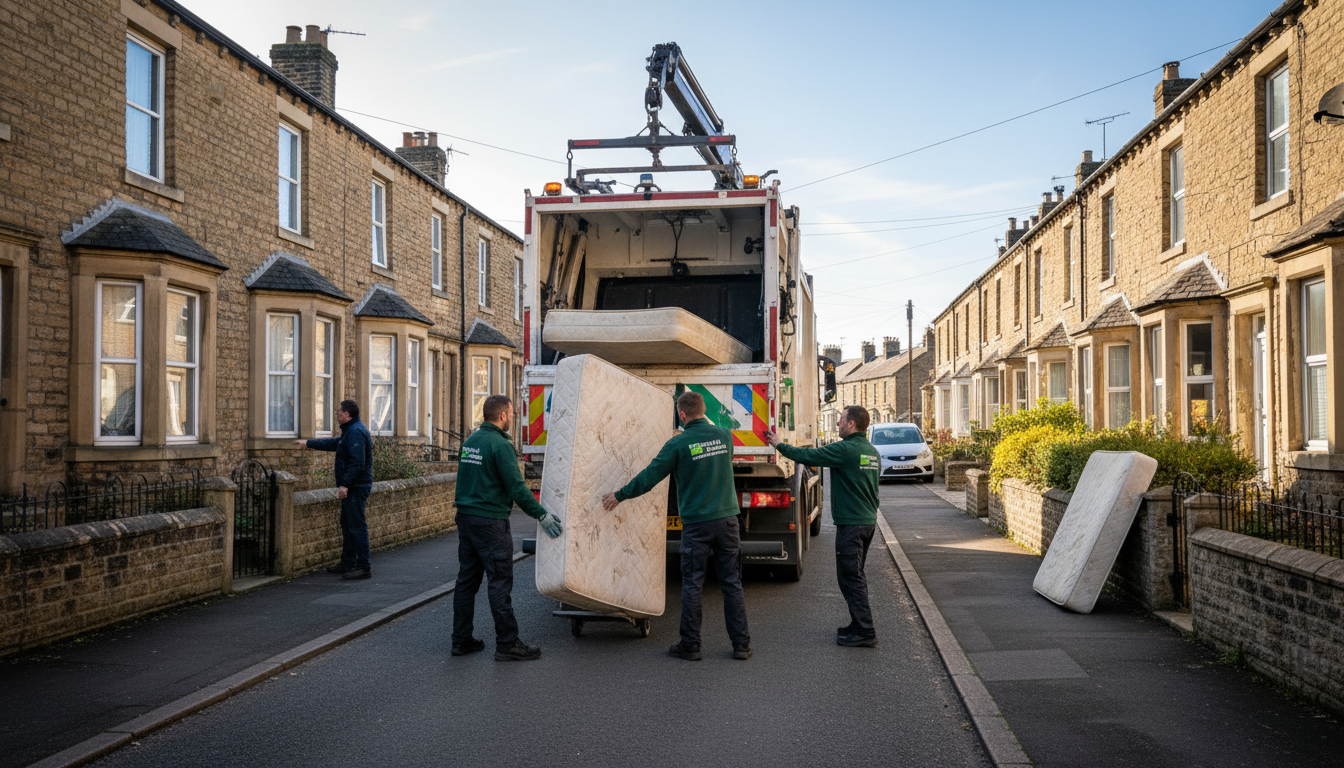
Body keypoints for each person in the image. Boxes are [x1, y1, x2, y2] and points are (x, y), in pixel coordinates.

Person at [602, 391, 751, 661]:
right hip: (728, 520)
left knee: (693, 584)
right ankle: (741, 645)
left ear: (682, 415)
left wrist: (619, 495)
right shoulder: (725, 436)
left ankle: (691, 645)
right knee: (732, 583)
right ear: (704, 409)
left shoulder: (678, 444)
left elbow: (650, 476)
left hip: (697, 524)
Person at [453, 394, 563, 662]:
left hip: (466, 518)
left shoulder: (470, 442)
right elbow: (517, 489)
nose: (512, 418)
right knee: (500, 581)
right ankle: (507, 643)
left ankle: (461, 640)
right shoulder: (500, 446)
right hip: (490, 522)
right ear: (502, 416)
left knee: (467, 582)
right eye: (512, 414)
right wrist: (542, 515)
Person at [765, 405, 881, 647]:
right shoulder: (871, 451)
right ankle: (857, 624)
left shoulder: (846, 449)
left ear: (851, 424)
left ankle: (865, 631)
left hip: (852, 524)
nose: (838, 424)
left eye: (841, 420)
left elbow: (808, 456)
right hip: (867, 521)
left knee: (851, 576)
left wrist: (778, 444)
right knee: (854, 574)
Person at [294, 399, 374, 580]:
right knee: (347, 525)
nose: (337, 414)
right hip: (353, 486)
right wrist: (308, 443)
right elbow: (334, 444)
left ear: (346, 414)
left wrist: (345, 485)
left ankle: (364, 567)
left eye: (339, 411)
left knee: (356, 526)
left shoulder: (355, 432)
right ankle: (348, 563)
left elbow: (357, 462)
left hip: (356, 487)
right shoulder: (351, 431)